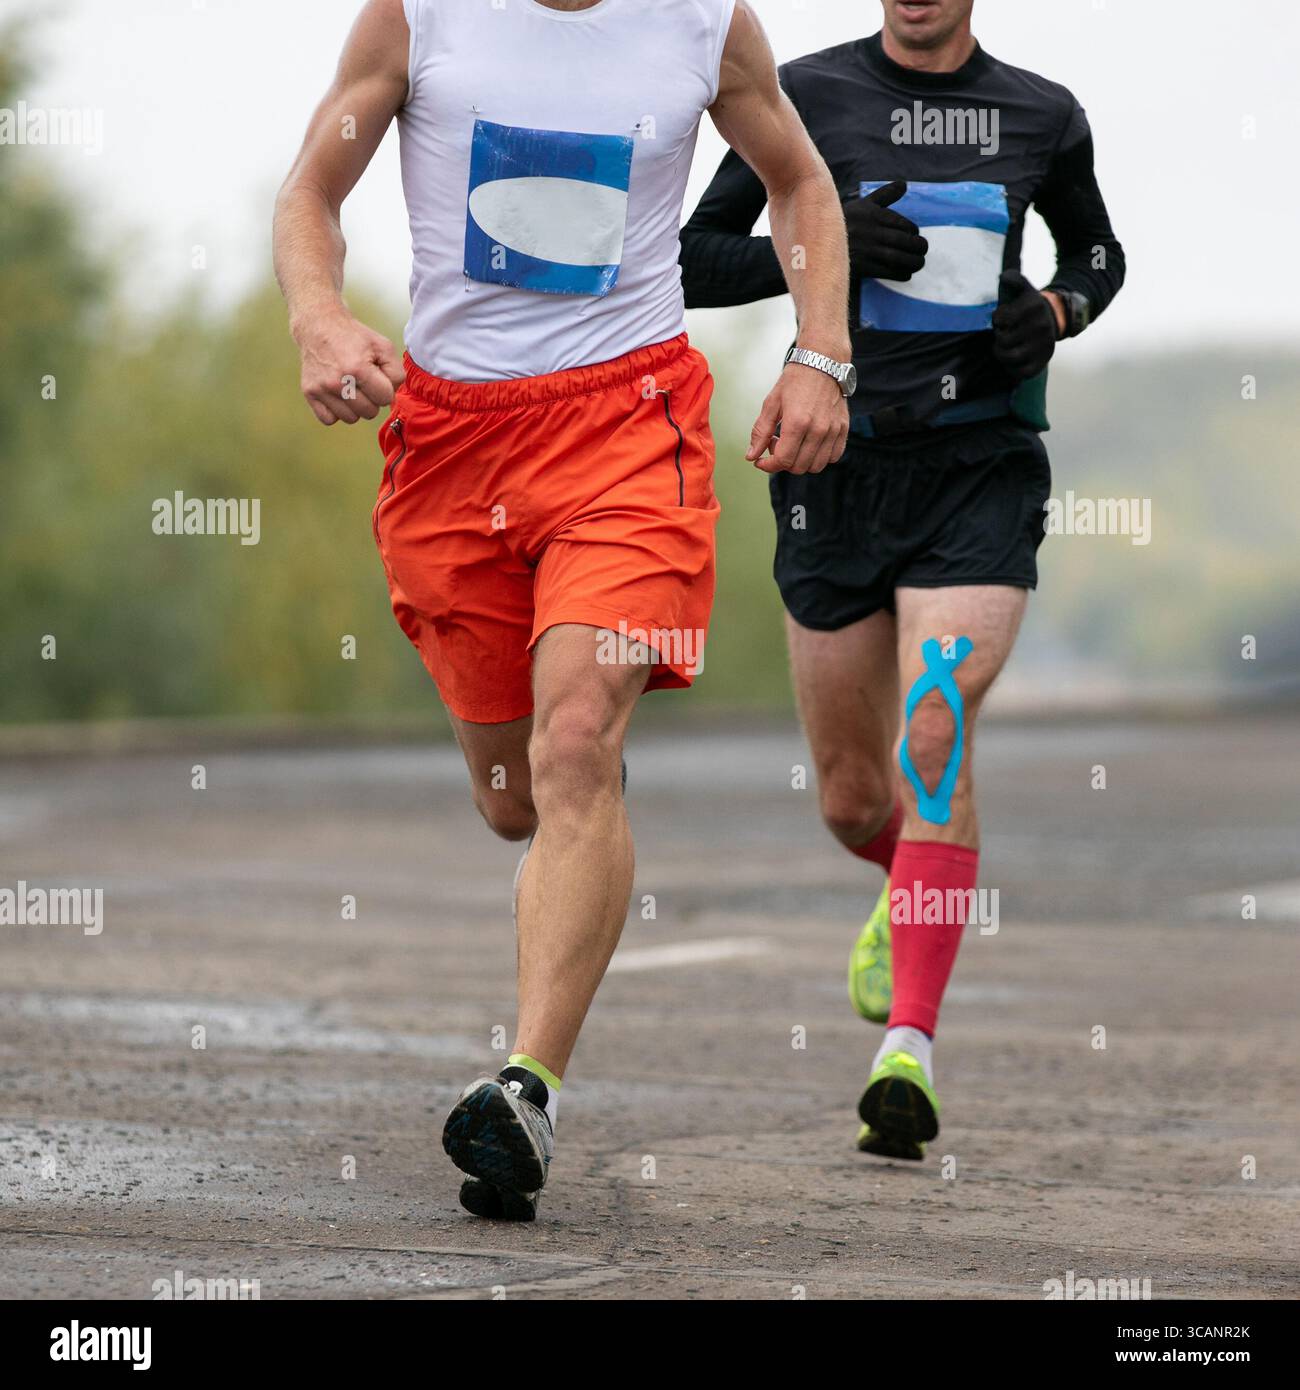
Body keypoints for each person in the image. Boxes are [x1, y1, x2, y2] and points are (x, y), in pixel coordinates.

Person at [273, 0, 854, 1219]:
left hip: (629, 427)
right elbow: (311, 193)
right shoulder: (417, 14)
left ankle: (524, 1090)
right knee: (516, 800)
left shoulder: (703, 20)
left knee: (578, 734)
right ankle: (568, 783)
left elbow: (798, 182)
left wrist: (821, 352)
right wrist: (320, 317)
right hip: (450, 445)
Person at [680, 0, 1125, 1160]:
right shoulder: (806, 96)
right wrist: (812, 248)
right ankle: (914, 879)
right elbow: (688, 258)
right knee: (848, 798)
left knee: (933, 729)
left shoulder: (1041, 112)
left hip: (978, 461)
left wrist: (1058, 309)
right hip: (834, 464)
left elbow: (1098, 253)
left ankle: (907, 1052)